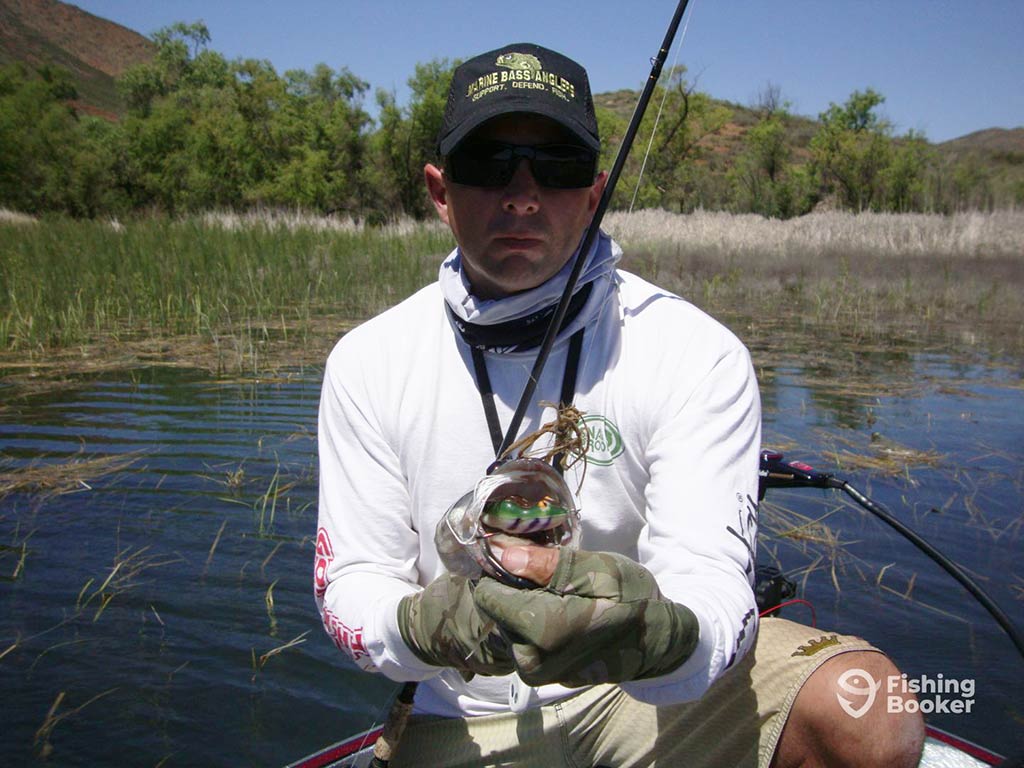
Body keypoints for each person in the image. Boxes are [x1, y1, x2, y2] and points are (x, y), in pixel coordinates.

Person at [315, 42, 924, 768]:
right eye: (489, 163)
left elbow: (710, 582)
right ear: (440, 191)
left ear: (595, 192)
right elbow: (350, 583)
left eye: (559, 166)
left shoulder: (696, 352)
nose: (523, 194)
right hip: (464, 710)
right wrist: (424, 627)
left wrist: (663, 636)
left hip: (641, 697)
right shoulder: (368, 361)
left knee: (869, 704)